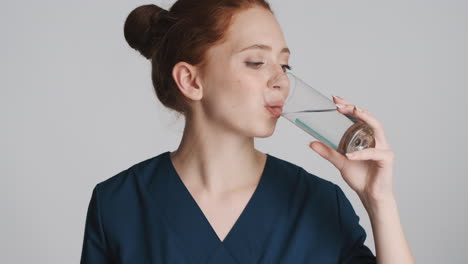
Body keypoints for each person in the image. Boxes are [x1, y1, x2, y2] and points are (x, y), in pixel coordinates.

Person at [80, 0, 415, 263]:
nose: (281, 80)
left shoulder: (321, 204)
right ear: (191, 80)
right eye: (256, 62)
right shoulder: (117, 205)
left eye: (284, 65)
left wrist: (379, 202)